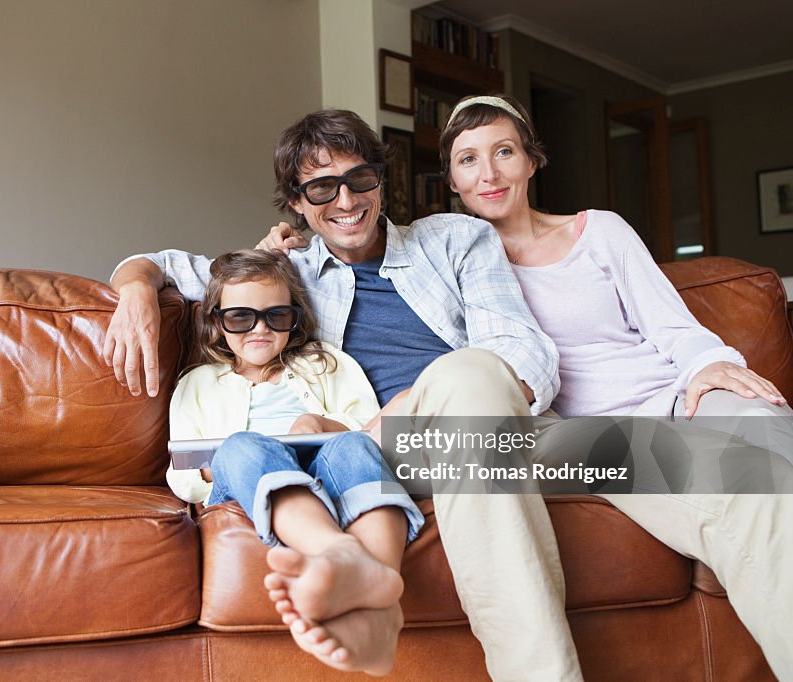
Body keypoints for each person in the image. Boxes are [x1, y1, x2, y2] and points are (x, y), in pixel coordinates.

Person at [107, 110, 584, 680]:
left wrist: (422, 397)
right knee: (471, 403)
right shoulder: (289, 275)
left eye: (360, 180)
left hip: (505, 418)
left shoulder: (457, 238)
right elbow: (168, 267)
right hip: (405, 449)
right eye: (321, 188)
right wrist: (135, 285)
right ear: (297, 204)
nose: (346, 201)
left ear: (382, 182)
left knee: (694, 462)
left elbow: (520, 347)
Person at [434, 93, 792, 678]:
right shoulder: (449, 263)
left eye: (504, 151)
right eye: (469, 159)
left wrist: (708, 366)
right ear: (451, 177)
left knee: (766, 422)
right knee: (760, 484)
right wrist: (274, 251)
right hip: (593, 431)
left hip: (678, 395)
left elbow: (671, 326)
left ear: (531, 160)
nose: (490, 173)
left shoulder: (598, 231)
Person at [166, 248, 425, 675]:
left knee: (352, 448)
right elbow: (186, 474)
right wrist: (245, 454)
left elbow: (369, 438)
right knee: (241, 445)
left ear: (294, 316)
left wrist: (319, 423)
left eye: (276, 316)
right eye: (240, 318)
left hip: (329, 468)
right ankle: (337, 551)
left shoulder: (328, 364)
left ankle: (378, 608)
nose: (260, 329)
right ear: (217, 322)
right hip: (253, 475)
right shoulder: (198, 384)